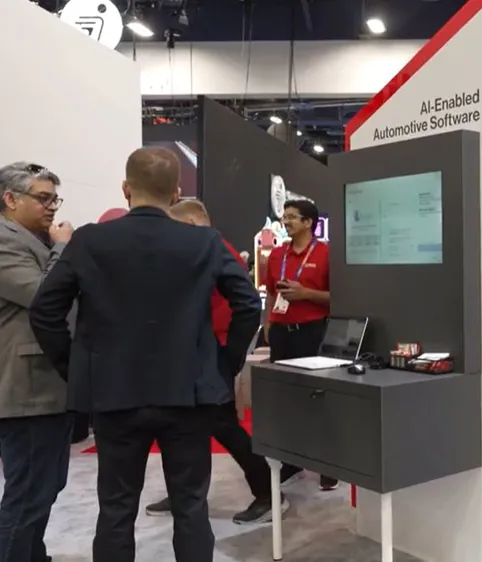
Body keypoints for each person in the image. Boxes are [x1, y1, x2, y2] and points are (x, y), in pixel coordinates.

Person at [29, 147, 261, 562]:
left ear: (126, 189)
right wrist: (225, 364)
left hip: (114, 392)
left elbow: (45, 310)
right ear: (176, 193)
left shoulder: (89, 240)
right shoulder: (204, 241)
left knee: (116, 509)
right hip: (189, 393)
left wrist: (75, 366)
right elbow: (247, 305)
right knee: (191, 506)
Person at [137, 199, 285, 525]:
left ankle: (269, 495)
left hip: (214, 351)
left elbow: (245, 305)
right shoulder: (198, 251)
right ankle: (186, 492)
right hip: (195, 353)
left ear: (192, 222)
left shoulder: (215, 249)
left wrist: (229, 355)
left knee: (224, 426)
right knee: (188, 427)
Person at [0, 162, 73, 562]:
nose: (51, 207)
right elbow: (44, 296)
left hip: (46, 385)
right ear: (10, 199)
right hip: (25, 389)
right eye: (43, 198)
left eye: (54, 199)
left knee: (44, 488)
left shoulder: (31, 239)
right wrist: (62, 248)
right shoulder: (4, 240)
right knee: (27, 494)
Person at [263, 199, 338, 491]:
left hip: (314, 332)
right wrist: (269, 322)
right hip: (282, 333)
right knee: (286, 399)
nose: (286, 222)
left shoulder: (326, 253)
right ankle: (291, 461)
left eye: (293, 217)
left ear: (309, 222)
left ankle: (327, 464)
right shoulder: (277, 254)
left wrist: (306, 293)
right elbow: (272, 293)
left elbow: (339, 296)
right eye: (285, 217)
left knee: (318, 397)